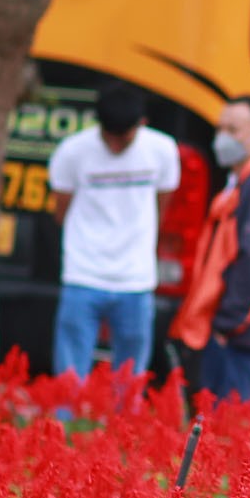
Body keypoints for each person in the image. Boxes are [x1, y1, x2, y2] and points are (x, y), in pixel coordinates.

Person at [46, 81, 182, 380]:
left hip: (135, 279)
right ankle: (67, 427)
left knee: (131, 377)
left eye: (124, 138)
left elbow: (163, 204)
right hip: (82, 274)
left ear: (141, 124)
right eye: (109, 138)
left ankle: (125, 428)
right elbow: (61, 211)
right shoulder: (72, 151)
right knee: (69, 376)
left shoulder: (162, 150)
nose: (116, 146)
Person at [172, 94, 250, 404]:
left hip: (239, 334)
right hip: (234, 329)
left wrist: (228, 324)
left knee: (231, 429)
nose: (223, 138)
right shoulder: (242, 182)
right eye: (220, 128)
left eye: (233, 130)